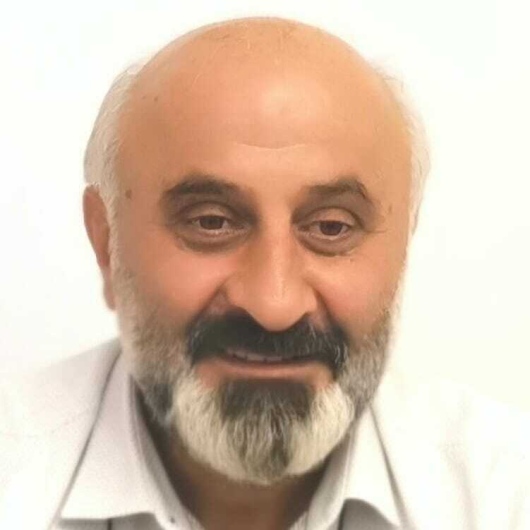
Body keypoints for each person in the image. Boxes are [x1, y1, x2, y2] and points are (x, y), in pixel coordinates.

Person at [0, 16, 528, 530]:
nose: (274, 305)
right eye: (211, 222)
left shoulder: (506, 494)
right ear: (106, 242)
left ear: (405, 244)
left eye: (331, 227)